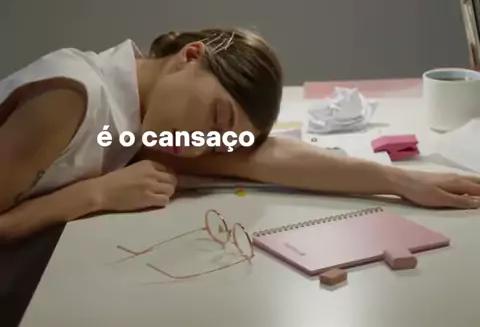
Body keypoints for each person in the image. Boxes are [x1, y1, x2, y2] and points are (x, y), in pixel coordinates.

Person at [0, 28, 479, 241]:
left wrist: (401, 181)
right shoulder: (72, 99)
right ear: (191, 56)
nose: (202, 146)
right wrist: (96, 194)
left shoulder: (143, 118)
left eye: (220, 141)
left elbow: (267, 158)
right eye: (218, 119)